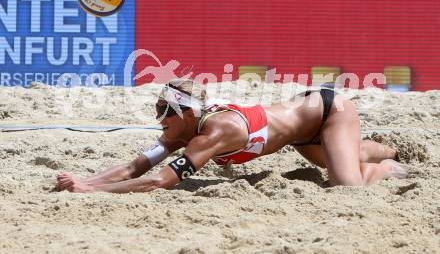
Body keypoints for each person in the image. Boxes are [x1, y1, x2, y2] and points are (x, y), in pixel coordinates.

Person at [57, 79, 406, 193]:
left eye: (165, 111)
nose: (157, 117)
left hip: (328, 111)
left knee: (347, 186)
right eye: (157, 108)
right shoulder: (182, 132)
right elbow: (135, 168)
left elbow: (160, 182)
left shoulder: (215, 132)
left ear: (189, 114)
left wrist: (92, 190)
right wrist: (84, 180)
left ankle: (391, 165)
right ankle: (385, 149)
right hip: (300, 132)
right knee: (342, 155)